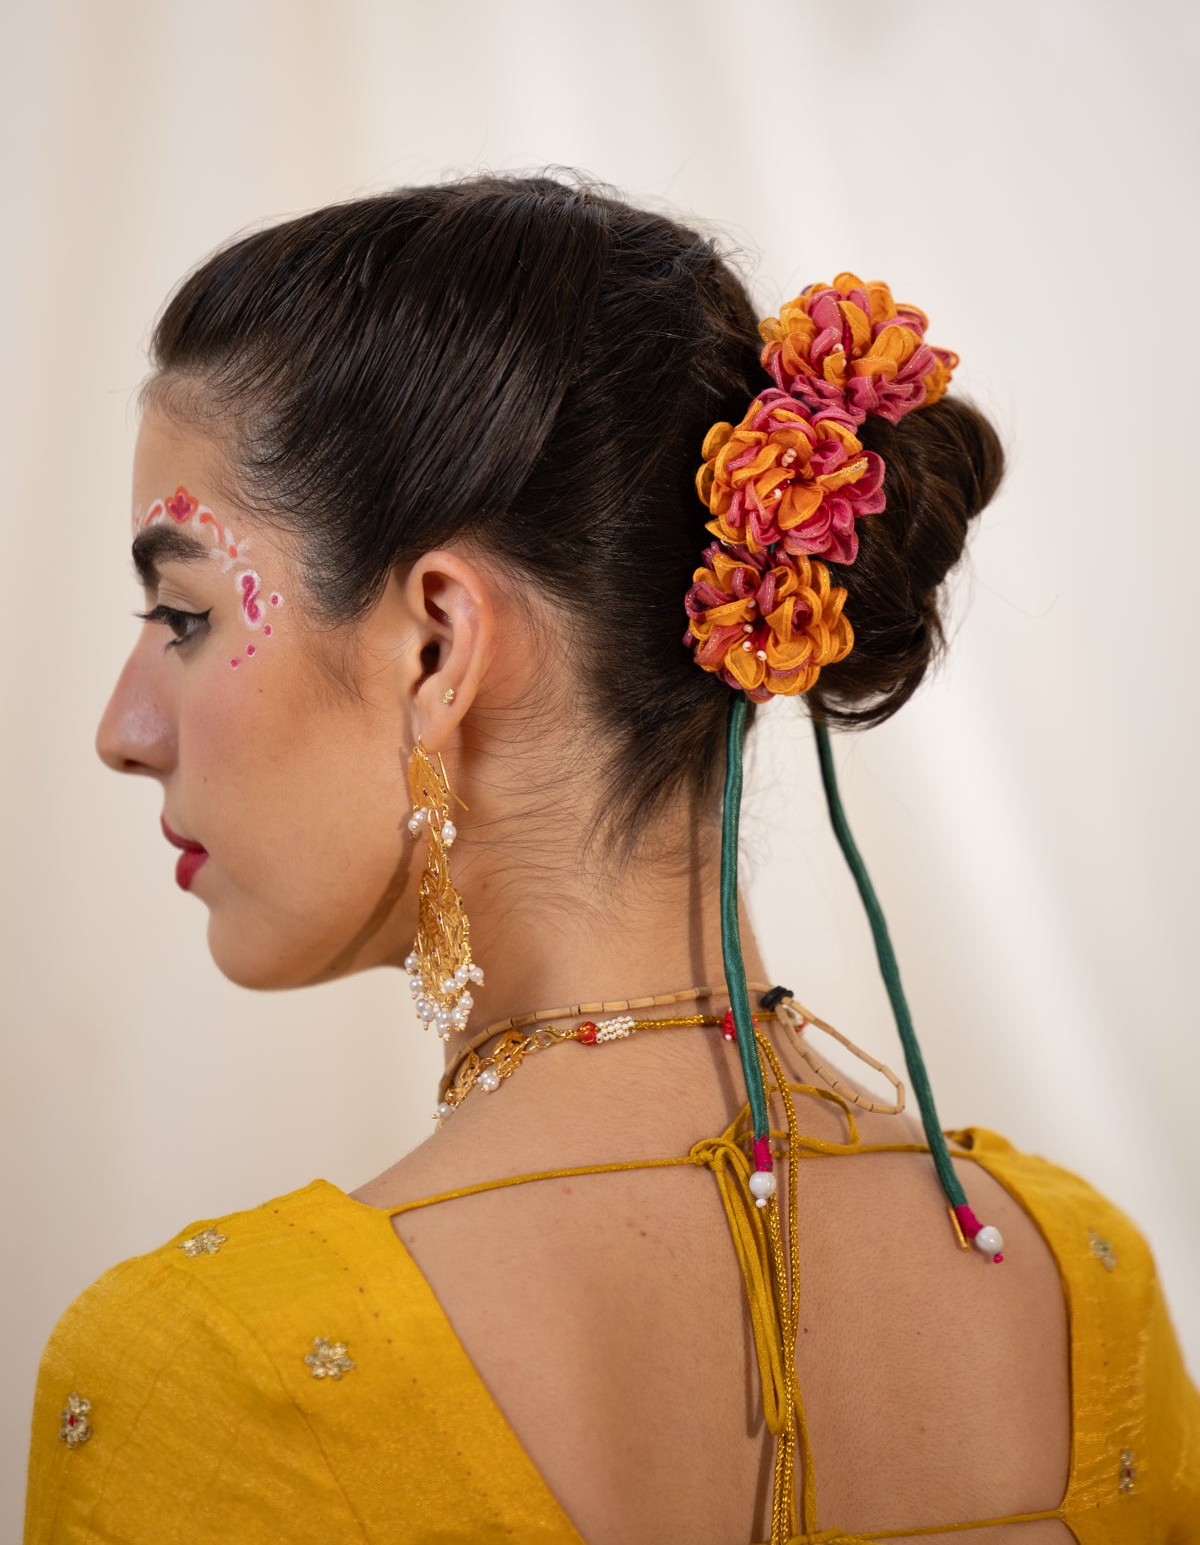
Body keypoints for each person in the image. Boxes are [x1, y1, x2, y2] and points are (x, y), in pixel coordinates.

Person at [23, 172, 1199, 1545]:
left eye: (182, 615)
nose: (124, 730)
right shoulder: (1082, 1284)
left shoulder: (223, 1371)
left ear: (436, 645)